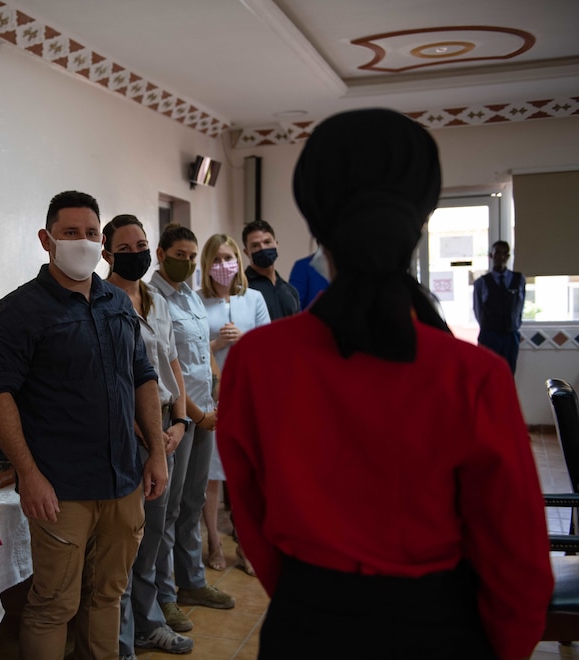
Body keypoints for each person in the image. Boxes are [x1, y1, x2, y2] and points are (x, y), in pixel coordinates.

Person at [216, 108, 553, 659]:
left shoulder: (257, 360)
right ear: (418, 222)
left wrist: (312, 597)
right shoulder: (473, 374)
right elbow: (516, 551)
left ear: (316, 223)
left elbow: (251, 514)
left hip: (307, 624)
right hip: (437, 628)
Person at [0, 191, 168, 660]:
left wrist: (157, 454)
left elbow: (143, 377)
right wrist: (30, 473)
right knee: (54, 603)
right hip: (61, 486)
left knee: (107, 596)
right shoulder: (20, 310)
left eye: (90, 234)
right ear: (47, 240)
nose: (82, 242)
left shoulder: (117, 304)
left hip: (123, 479)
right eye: (70, 233)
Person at [102, 214, 194, 657]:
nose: (136, 253)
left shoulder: (156, 300)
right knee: (127, 540)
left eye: (142, 244)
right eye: (126, 248)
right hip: (132, 430)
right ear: (108, 254)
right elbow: (119, 380)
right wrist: (151, 435)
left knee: (156, 533)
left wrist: (179, 421)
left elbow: (172, 362)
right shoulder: (100, 302)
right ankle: (121, 640)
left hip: (166, 426)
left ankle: (148, 621)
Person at [149, 223, 236, 633]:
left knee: (196, 500)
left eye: (190, 255)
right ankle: (165, 597)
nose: (185, 262)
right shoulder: (151, 299)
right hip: (179, 417)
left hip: (207, 414)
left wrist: (216, 399)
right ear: (160, 255)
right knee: (168, 509)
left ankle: (193, 582)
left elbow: (203, 355)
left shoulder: (191, 296)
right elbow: (166, 365)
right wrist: (196, 414)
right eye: (178, 255)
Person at [199, 233, 270, 576]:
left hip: (247, 398)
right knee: (211, 477)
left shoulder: (253, 298)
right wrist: (216, 344)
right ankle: (213, 541)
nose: (223, 265)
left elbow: (268, 344)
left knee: (245, 477)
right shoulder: (198, 301)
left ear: (238, 263)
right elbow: (190, 351)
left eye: (228, 258)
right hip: (211, 399)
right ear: (206, 265)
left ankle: (246, 544)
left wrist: (245, 341)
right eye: (216, 259)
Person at [473, 240, 526, 374]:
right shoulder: (482, 282)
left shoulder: (519, 279)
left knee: (508, 373)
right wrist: (487, 326)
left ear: (508, 256)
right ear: (491, 256)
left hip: (511, 335)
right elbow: (478, 309)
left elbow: (520, 305)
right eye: (497, 253)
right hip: (489, 335)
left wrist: (514, 325)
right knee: (488, 373)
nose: (501, 257)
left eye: (504, 254)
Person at [242, 219, 301, 320]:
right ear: (247, 252)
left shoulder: (290, 291)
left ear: (276, 244)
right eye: (255, 245)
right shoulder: (241, 287)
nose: (263, 248)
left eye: (267, 242)